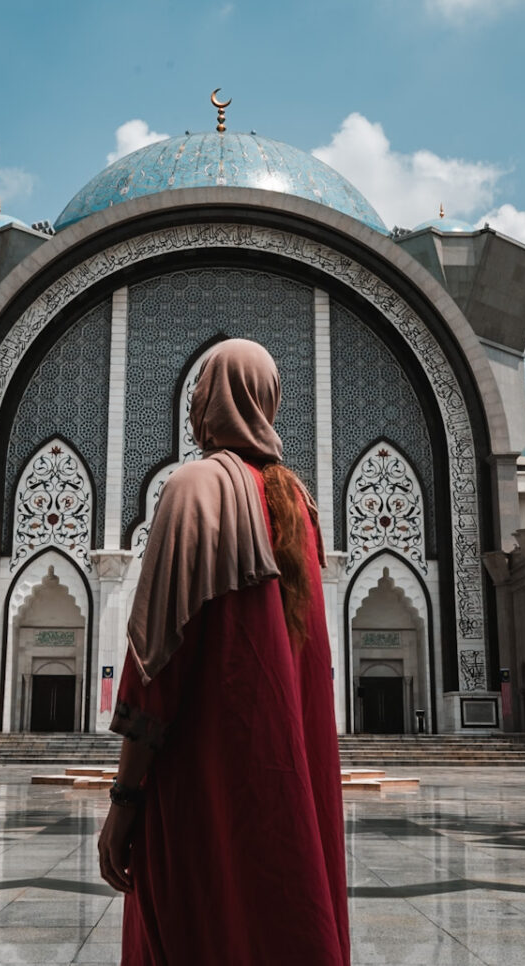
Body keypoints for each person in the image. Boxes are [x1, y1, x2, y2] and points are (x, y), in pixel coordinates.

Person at [98, 338, 348, 966]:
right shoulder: (300, 506)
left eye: (197, 394)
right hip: (281, 785)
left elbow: (155, 665)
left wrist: (124, 803)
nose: (191, 412)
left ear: (207, 401)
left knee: (195, 924)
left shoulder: (195, 489)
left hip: (199, 787)